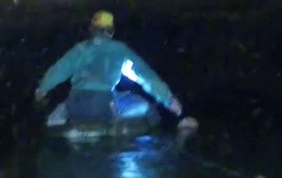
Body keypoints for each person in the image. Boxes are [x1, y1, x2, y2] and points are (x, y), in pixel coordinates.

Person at [34, 11, 183, 126]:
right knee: (146, 107)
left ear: (92, 29)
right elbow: (145, 77)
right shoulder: (120, 50)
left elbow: (58, 71)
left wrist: (41, 90)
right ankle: (156, 129)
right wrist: (169, 100)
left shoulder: (80, 49)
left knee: (65, 104)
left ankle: (62, 116)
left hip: (76, 104)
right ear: (111, 31)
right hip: (103, 105)